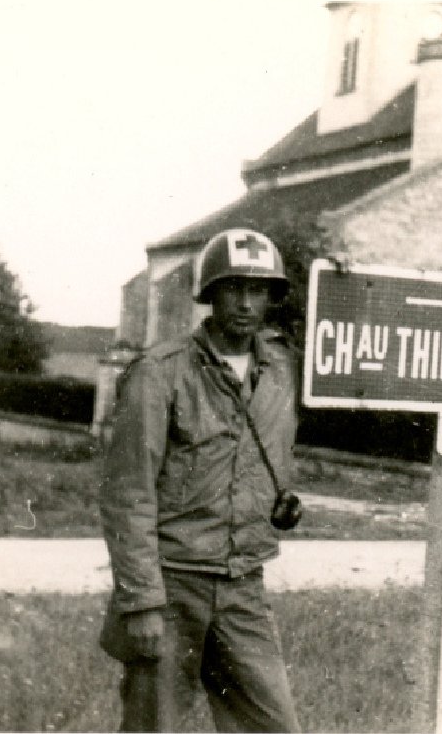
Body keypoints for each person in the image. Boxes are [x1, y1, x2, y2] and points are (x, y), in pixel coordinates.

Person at [99, 227, 303, 733]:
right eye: (233, 287)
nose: (245, 302)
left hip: (243, 585)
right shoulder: (160, 372)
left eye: (259, 290)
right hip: (172, 584)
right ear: (210, 294)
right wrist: (142, 601)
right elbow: (128, 495)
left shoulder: (280, 368)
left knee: (274, 726)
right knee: (155, 727)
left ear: (272, 298)